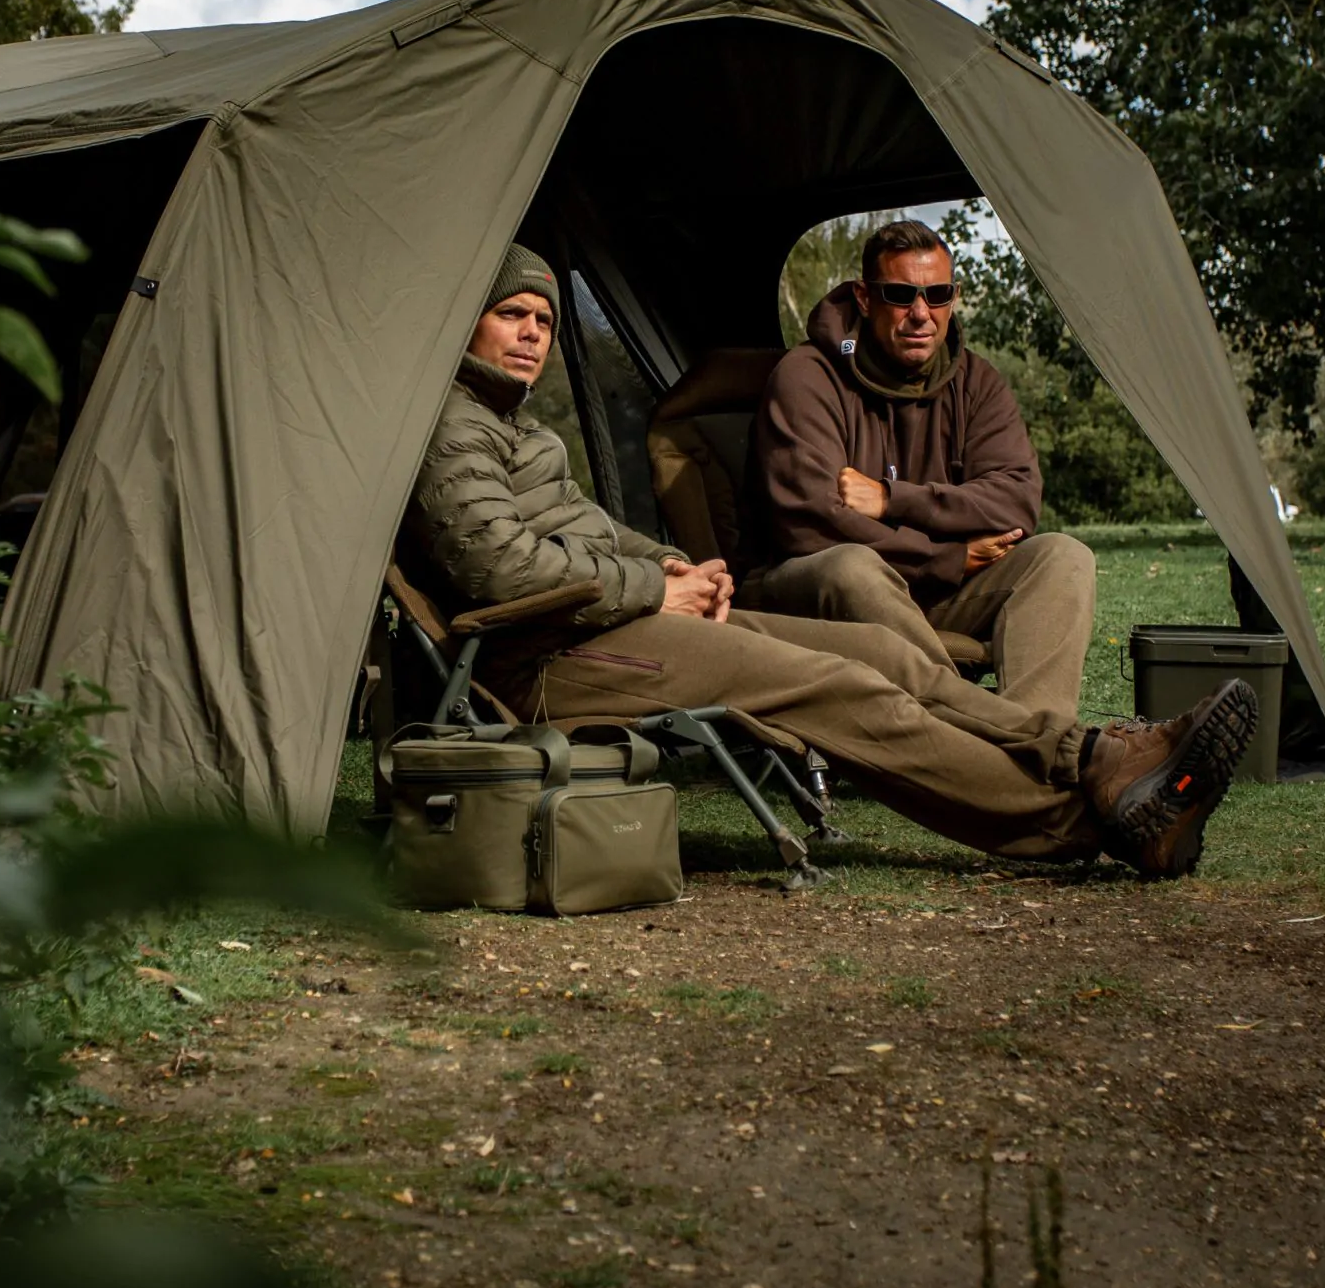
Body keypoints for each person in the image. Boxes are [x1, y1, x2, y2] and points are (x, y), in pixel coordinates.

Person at [400, 245, 1252, 877]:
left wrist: (676, 566)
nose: (533, 334)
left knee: (882, 652)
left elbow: (594, 529)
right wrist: (656, 588)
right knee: (839, 686)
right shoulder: (449, 428)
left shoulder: (519, 428)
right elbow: (501, 572)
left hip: (605, 621)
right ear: (469, 320)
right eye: (513, 314)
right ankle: (1088, 820)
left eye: (545, 320)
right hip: (545, 659)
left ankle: (1091, 751)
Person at [740, 219, 1097, 717]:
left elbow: (1016, 499)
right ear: (865, 298)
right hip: (812, 590)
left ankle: (1038, 734)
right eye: (901, 294)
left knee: (1061, 555)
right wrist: (949, 557)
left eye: (937, 295)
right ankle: (980, 728)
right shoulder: (806, 377)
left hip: (935, 594)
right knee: (852, 567)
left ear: (953, 298)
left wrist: (893, 499)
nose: (921, 314)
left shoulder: (976, 381)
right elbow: (812, 526)